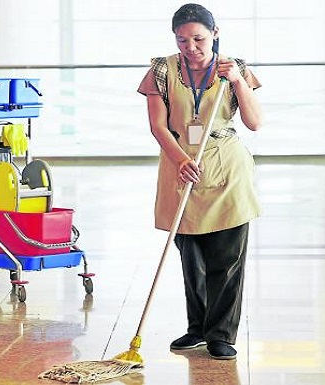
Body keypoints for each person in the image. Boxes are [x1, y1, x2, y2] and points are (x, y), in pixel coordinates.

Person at [137, 3, 262, 360]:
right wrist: (180, 159)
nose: (191, 47)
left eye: (198, 39)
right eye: (182, 40)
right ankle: (198, 328)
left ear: (215, 34)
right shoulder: (163, 68)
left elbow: (254, 122)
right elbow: (158, 125)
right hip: (180, 166)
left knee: (227, 256)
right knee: (191, 257)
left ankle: (221, 334)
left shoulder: (233, 69)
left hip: (226, 167)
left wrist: (237, 80)